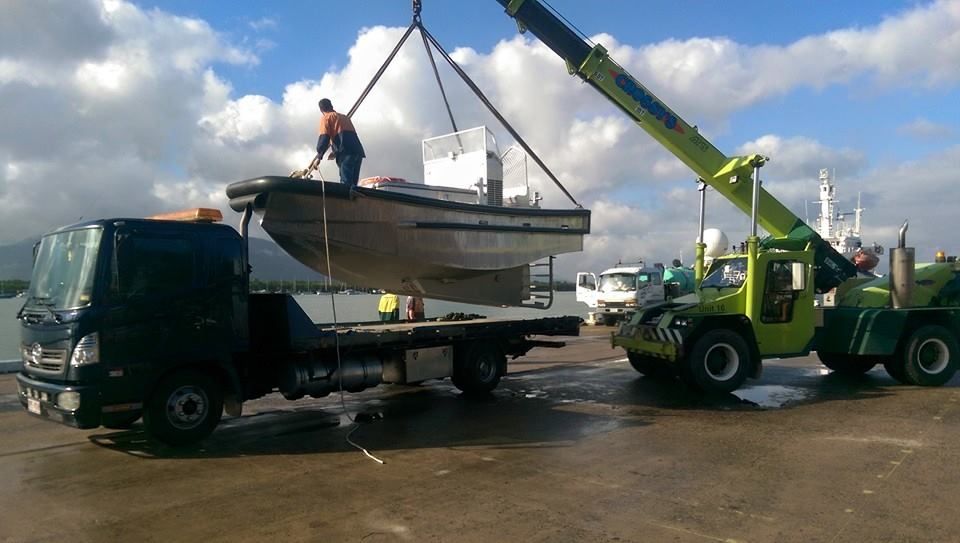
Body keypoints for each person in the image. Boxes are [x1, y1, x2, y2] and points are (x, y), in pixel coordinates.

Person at [315, 98, 365, 186]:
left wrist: (319, 157)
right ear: (331, 106)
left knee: (346, 184)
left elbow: (324, 138)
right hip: (357, 152)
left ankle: (346, 194)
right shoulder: (344, 117)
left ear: (321, 110)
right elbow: (346, 137)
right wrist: (335, 152)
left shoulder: (326, 118)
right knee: (353, 184)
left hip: (346, 153)